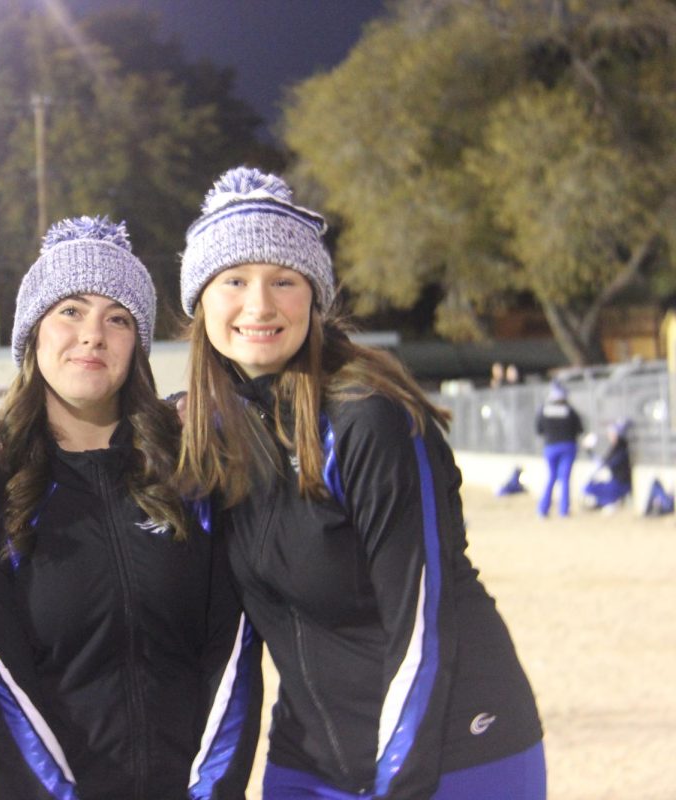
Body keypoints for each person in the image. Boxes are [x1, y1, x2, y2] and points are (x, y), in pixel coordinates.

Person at [176, 166, 546, 799]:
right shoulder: (211, 433)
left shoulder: (366, 417)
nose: (259, 305)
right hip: (310, 758)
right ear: (200, 301)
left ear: (314, 299)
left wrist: (400, 781)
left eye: (283, 281)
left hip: (454, 749)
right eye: (234, 280)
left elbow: (422, 620)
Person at [0, 216, 261, 799]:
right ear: (33, 334)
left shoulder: (191, 473)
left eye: (117, 318)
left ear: (138, 346)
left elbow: (234, 654)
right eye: (70, 311)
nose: (93, 334)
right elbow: (2, 684)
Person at [535, 380, 584, 518]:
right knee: (565, 478)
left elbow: (539, 430)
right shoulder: (570, 410)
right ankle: (564, 510)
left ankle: (543, 509)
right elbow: (580, 429)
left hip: (550, 447)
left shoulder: (544, 410)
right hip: (568, 446)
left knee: (551, 477)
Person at [582, 419, 633, 510]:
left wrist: (589, 451)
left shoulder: (621, 450)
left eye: (612, 433)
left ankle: (609, 501)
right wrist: (588, 450)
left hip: (621, 485)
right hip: (615, 482)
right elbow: (603, 462)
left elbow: (605, 463)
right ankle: (606, 502)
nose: (610, 436)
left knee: (589, 488)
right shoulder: (616, 449)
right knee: (588, 487)